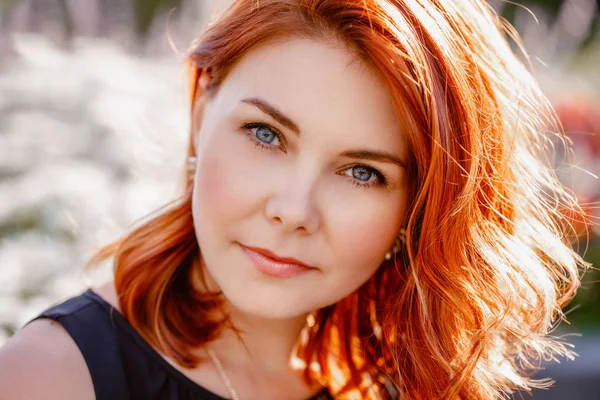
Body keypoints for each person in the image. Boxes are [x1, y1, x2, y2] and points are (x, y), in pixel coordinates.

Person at [0, 0, 588, 398]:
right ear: (203, 108)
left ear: (419, 210)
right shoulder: (55, 375)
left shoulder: (391, 386)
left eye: (362, 172)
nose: (294, 210)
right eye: (266, 135)